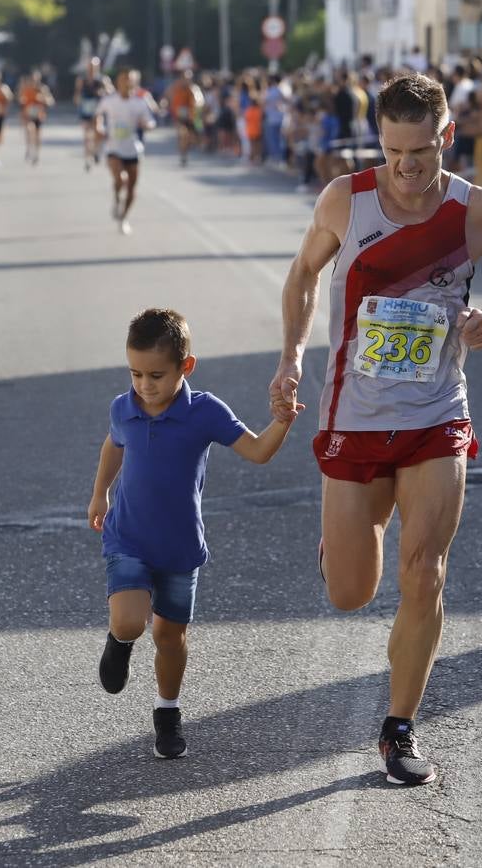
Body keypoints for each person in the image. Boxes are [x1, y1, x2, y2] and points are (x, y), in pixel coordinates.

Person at [267, 73, 482, 786]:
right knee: (350, 592)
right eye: (394, 152)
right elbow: (301, 277)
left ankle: (399, 727)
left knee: (426, 573)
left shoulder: (480, 212)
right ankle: (350, 534)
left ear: (447, 137)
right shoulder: (346, 200)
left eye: (421, 151)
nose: (408, 168)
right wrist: (292, 357)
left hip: (436, 412)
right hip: (353, 414)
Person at [89, 307, 296, 760]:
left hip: (181, 548)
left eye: (156, 375)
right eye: (136, 373)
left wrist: (282, 420)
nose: (145, 385)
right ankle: (119, 641)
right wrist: (100, 493)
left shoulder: (204, 412)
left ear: (187, 366)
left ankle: (167, 713)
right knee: (129, 620)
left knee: (169, 637)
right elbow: (113, 443)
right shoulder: (124, 407)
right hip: (128, 537)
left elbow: (258, 451)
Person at [94, 68, 157, 235]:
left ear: (134, 83)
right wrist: (99, 127)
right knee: (120, 179)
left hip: (133, 149)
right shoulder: (109, 100)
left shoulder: (139, 103)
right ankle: (116, 199)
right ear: (118, 82)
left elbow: (150, 121)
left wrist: (148, 125)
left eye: (130, 80)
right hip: (113, 148)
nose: (126, 83)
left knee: (131, 188)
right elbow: (98, 115)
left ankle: (124, 218)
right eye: (123, 79)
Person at [166, 69, 204, 167]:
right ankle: (183, 155)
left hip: (192, 117)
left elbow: (200, 102)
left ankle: (188, 146)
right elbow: (167, 97)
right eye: (184, 78)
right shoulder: (175, 87)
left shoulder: (194, 89)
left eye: (189, 78)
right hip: (180, 117)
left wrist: (196, 106)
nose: (186, 80)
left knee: (191, 137)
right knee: (183, 134)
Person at [76, 58, 108, 171]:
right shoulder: (82, 79)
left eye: (94, 67)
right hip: (85, 109)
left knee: (98, 131)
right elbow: (77, 94)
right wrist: (78, 100)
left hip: (97, 109)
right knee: (86, 135)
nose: (92, 69)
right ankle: (87, 160)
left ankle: (96, 151)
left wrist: (101, 92)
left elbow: (110, 92)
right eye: (90, 66)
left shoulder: (102, 79)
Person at [18, 70, 54, 166]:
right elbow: (20, 99)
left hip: (39, 114)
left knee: (37, 135)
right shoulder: (26, 88)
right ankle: (29, 148)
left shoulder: (43, 89)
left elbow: (51, 101)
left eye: (36, 79)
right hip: (28, 114)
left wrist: (43, 99)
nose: (34, 81)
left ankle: (36, 155)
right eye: (33, 79)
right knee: (30, 129)